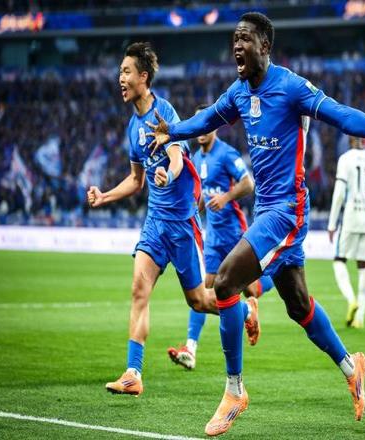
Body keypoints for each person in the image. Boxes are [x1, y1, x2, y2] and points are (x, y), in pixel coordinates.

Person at [145, 12, 365, 436]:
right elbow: (206, 119)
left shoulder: (291, 87)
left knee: (224, 282)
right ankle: (351, 366)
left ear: (265, 46)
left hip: (287, 209)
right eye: (234, 39)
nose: (237, 46)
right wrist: (171, 132)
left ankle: (234, 391)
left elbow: (342, 116)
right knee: (298, 304)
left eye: (245, 39)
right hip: (266, 209)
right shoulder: (238, 92)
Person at [87, 42, 259, 397]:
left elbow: (177, 156)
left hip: (182, 225)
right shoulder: (132, 127)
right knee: (139, 290)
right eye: (119, 72)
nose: (120, 78)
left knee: (199, 301)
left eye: (126, 72)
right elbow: (136, 180)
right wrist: (105, 195)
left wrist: (169, 174)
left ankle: (246, 311)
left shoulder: (163, 112)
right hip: (155, 224)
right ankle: (133, 373)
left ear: (143, 77)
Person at [167, 104, 274, 370]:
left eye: (207, 124)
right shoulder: (196, 159)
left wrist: (225, 197)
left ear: (214, 127)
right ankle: (190, 349)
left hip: (235, 233)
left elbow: (248, 184)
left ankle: (277, 272)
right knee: (206, 289)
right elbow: (204, 196)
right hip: (213, 238)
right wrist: (196, 209)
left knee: (251, 289)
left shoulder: (226, 154)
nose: (202, 131)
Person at [328, 137, 365, 329]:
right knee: (363, 267)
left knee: (339, 260)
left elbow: (339, 193)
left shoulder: (345, 159)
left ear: (350, 140)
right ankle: (360, 318)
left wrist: (332, 224)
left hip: (351, 216)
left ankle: (351, 300)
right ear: (363, 140)